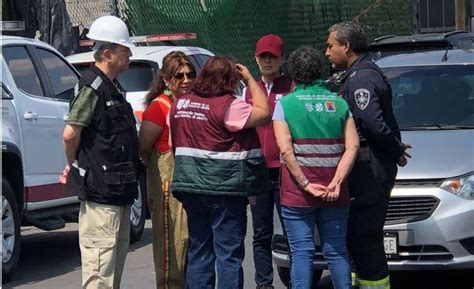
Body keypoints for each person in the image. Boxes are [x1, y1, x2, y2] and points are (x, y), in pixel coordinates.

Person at [169, 56, 271, 289]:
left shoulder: (181, 104)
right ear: (230, 80)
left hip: (190, 188)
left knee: (200, 250)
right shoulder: (230, 105)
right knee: (228, 255)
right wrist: (250, 80)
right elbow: (264, 112)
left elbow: (173, 141)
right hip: (225, 190)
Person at [325, 21, 411, 289]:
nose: (326, 52)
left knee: (365, 235)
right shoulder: (356, 74)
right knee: (356, 236)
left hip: (369, 164)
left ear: (346, 46)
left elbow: (371, 121)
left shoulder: (361, 77)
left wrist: (395, 150)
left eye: (330, 46)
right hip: (367, 163)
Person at [61, 15, 139, 289]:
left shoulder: (113, 88)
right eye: (124, 50)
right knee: (99, 275)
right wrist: (72, 165)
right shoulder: (92, 87)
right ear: (108, 54)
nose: (129, 55)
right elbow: (70, 133)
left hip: (119, 193)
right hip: (101, 196)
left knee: (111, 272)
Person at [273, 46, 359, 289]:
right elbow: (352, 146)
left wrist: (306, 184)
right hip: (334, 191)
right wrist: (337, 181)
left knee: (301, 252)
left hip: (297, 193)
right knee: (336, 251)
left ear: (293, 73)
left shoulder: (286, 104)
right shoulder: (339, 103)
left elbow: (286, 150)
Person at [138, 51, 195, 289]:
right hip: (167, 186)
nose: (186, 80)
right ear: (166, 79)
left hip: (190, 184)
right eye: (178, 75)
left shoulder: (190, 103)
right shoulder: (158, 107)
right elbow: (143, 149)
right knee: (171, 244)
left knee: (189, 243)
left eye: (190, 74)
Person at [243, 34, 294, 289]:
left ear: (281, 58)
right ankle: (264, 284)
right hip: (257, 171)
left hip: (285, 171)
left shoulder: (291, 88)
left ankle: (297, 280)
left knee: (291, 231)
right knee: (260, 232)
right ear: (255, 58)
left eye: (272, 57)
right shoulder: (248, 90)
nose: (267, 62)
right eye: (263, 57)